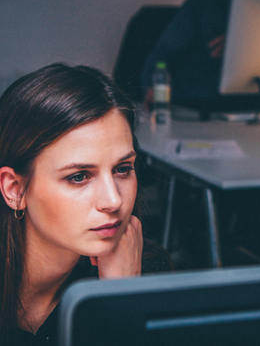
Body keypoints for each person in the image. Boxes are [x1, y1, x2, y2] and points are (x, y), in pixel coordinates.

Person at [0, 64, 171, 345]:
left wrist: (122, 298)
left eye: (123, 169)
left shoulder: (141, 273)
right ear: (15, 189)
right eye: (79, 177)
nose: (113, 200)